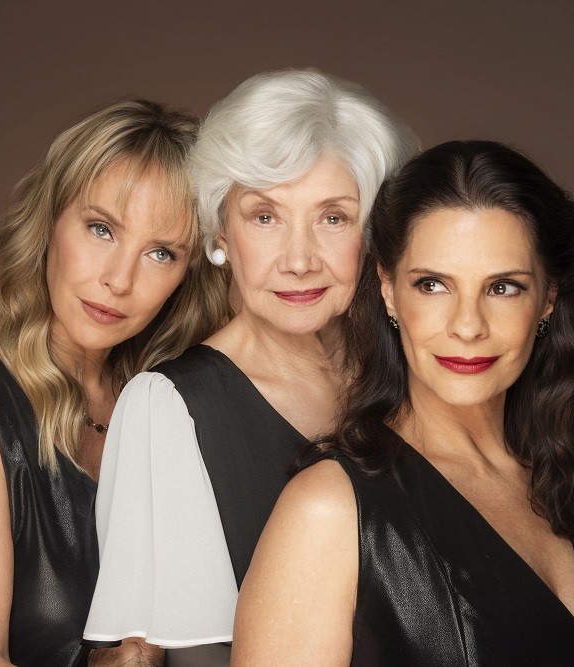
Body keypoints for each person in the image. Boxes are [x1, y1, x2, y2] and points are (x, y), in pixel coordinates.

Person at [233, 140, 574, 666]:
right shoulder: (329, 510)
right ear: (388, 290)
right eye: (432, 285)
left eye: (503, 288)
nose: (468, 326)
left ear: (549, 298)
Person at [81, 70, 418, 664]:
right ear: (220, 233)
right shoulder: (170, 409)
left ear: (370, 236)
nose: (299, 260)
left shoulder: (417, 374)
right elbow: (195, 660)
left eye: (333, 217)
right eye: (265, 217)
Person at [0, 99, 228, 667]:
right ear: (49, 223)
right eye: (101, 229)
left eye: (161, 253)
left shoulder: (161, 409)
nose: (119, 279)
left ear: (186, 277)